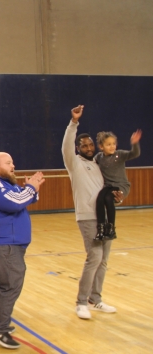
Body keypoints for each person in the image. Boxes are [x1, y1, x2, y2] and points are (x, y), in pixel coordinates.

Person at [0, 152, 44, 349]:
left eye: (13, 162)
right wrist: (30, 187)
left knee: (0, 286)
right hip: (0, 246)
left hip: (4, 246)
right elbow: (16, 202)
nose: (13, 165)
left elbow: (25, 199)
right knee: (10, 285)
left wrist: (32, 189)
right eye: (8, 163)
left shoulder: (6, 184)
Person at [62, 105, 122, 320]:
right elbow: (67, 145)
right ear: (78, 148)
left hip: (105, 215)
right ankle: (81, 302)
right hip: (87, 216)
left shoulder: (98, 164)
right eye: (83, 145)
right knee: (94, 256)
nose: (87, 147)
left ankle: (95, 299)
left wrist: (117, 196)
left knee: (104, 259)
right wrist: (74, 122)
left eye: (89, 145)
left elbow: (108, 188)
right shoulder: (74, 163)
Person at [93, 129, 142, 240]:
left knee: (109, 199)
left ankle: (111, 228)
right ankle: (101, 228)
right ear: (101, 147)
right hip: (108, 186)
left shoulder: (119, 155)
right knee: (100, 199)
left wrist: (135, 143)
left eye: (114, 144)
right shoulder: (99, 157)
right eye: (108, 144)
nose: (112, 146)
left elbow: (135, 153)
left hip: (120, 185)